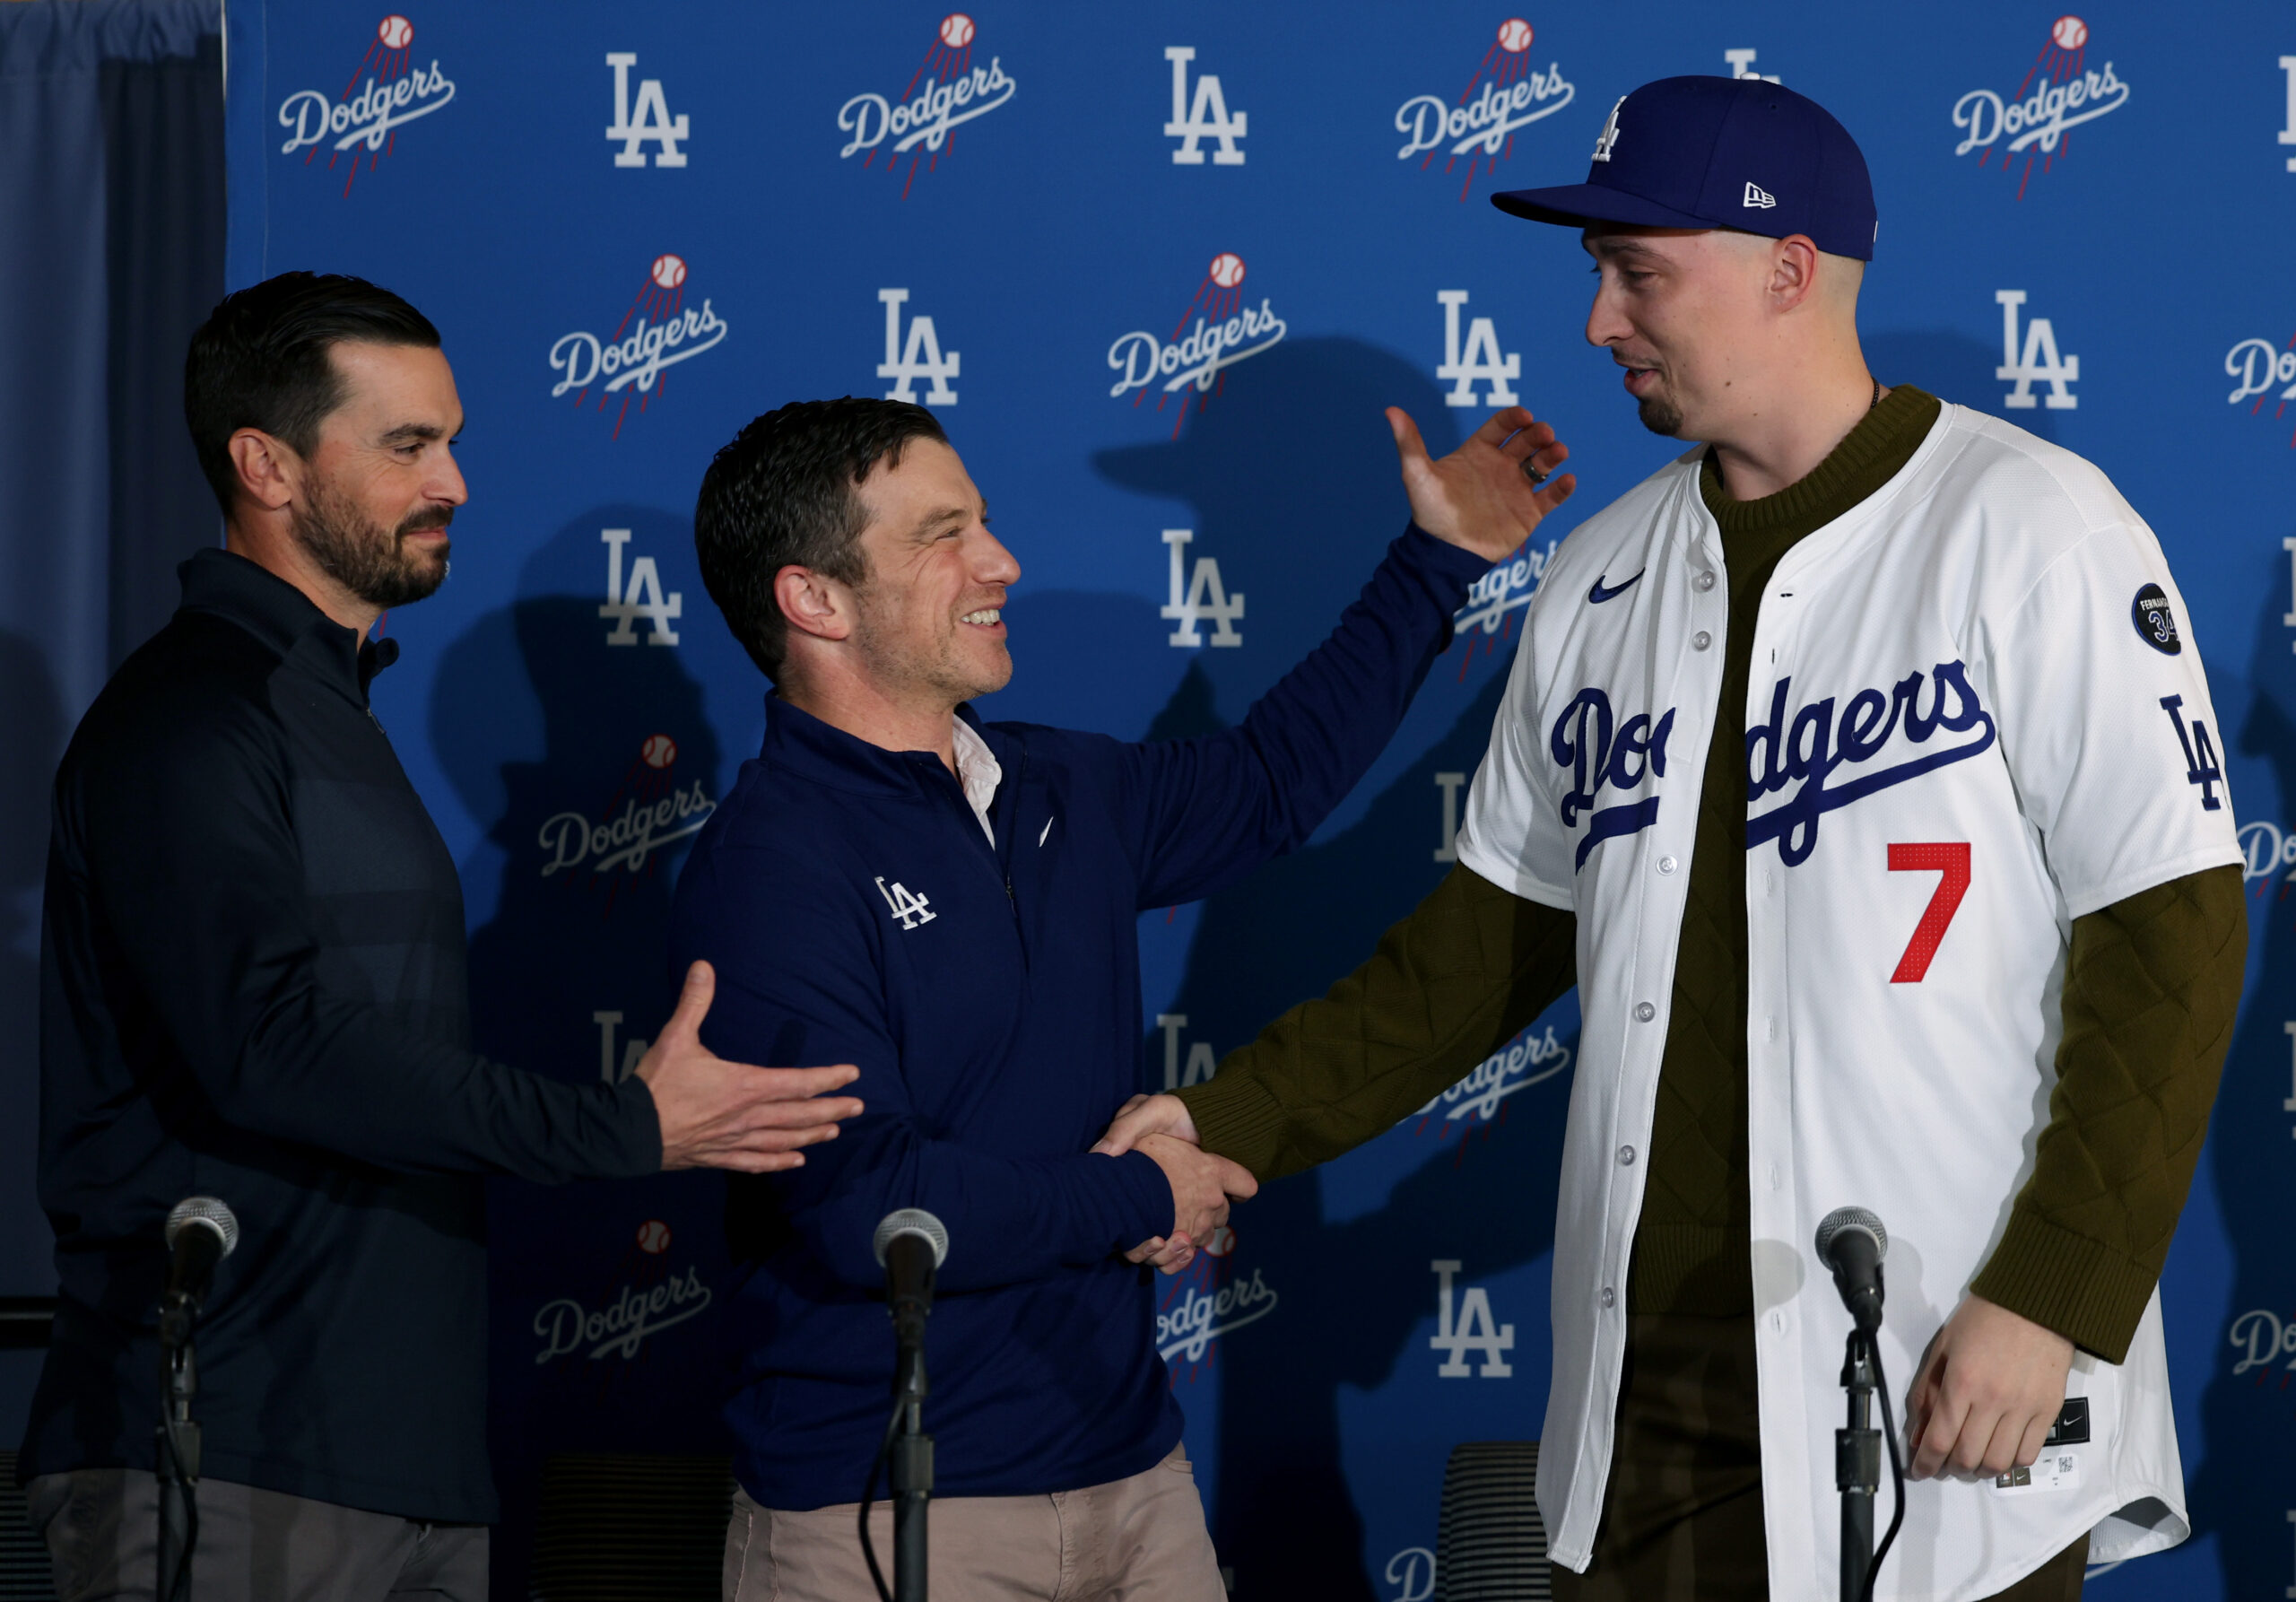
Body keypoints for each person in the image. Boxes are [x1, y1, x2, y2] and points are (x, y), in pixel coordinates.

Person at [1099, 75, 2247, 1602]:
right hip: (1647, 1382)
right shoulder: (1599, 576)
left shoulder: (2033, 525)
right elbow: (1476, 953)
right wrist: (1229, 1119)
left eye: (1639, 271)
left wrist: (2052, 1294)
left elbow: (2168, 936)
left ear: (1789, 270)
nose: (1596, 319)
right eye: (1596, 271)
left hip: (1929, 1361)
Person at [19, 272, 866, 1602]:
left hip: (400, 1466)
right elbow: (271, 1045)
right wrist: (621, 1127)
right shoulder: (188, 722)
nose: (457, 479)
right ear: (267, 465)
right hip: (224, 1455)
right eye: (408, 444)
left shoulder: (324, 714)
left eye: (453, 438)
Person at [674, 392, 1573, 1600]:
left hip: (1137, 1488)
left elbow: (1273, 784)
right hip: (891, 1513)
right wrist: (1145, 1188)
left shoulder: (1058, 787)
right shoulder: (768, 868)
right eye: (945, 534)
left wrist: (1439, 562)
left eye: (982, 520)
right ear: (815, 599)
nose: (1002, 560)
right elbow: (874, 1208)